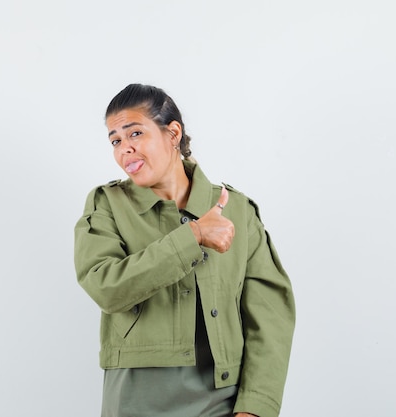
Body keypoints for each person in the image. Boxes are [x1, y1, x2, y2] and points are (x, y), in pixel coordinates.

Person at [74, 83, 296, 417]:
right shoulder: (106, 205)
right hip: (136, 401)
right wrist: (192, 236)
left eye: (135, 133)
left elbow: (270, 316)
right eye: (115, 140)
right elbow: (106, 287)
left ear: (173, 132)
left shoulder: (237, 209)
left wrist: (255, 407)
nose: (125, 150)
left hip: (223, 400)